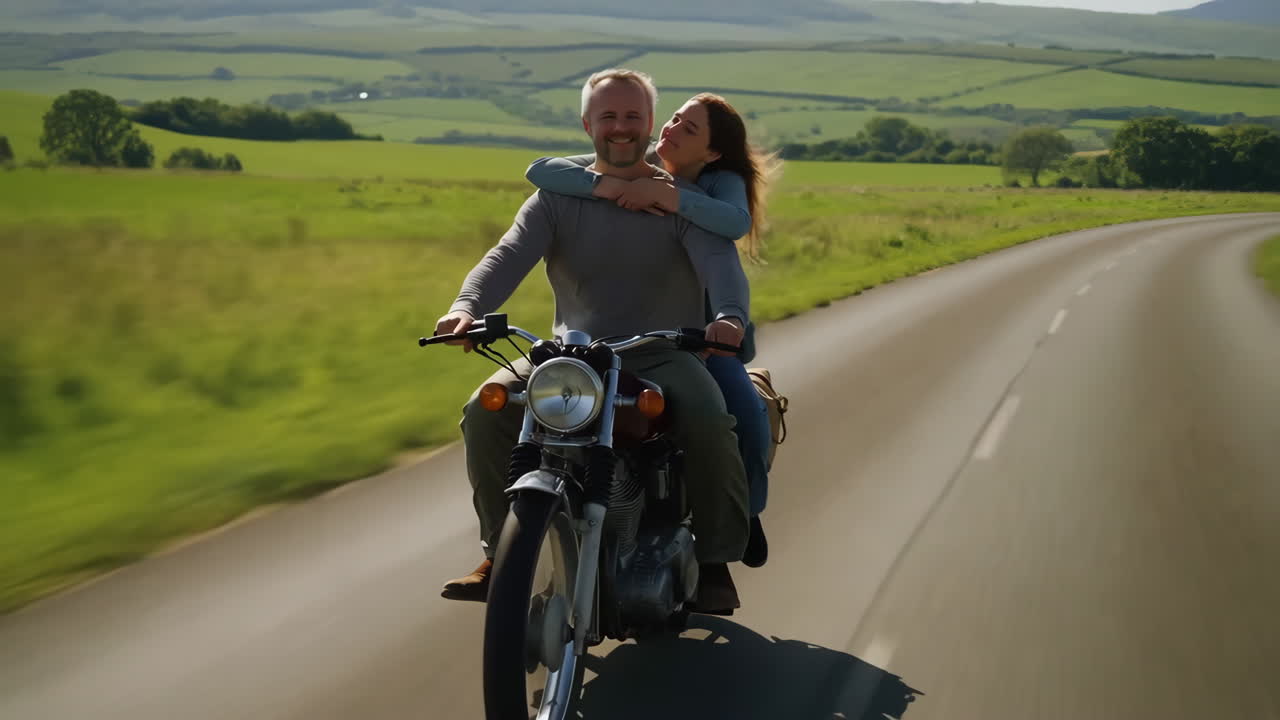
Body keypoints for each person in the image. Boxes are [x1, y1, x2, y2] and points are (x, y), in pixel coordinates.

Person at [437, 69, 751, 613]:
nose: (621, 128)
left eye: (633, 116)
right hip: (570, 352)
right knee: (484, 411)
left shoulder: (676, 198)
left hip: (660, 352)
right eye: (608, 116)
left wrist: (729, 317)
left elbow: (720, 264)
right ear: (587, 124)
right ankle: (501, 555)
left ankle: (717, 559)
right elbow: (507, 255)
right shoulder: (557, 195)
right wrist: (466, 308)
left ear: (650, 124)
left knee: (707, 417)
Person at [523, 92, 779, 568]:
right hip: (628, 333)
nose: (673, 130)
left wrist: (666, 196)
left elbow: (735, 221)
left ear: (713, 152)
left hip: (704, 338)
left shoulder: (719, 182)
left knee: (743, 420)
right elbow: (542, 171)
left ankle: (743, 517)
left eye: (690, 129)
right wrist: (606, 188)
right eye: (675, 118)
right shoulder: (631, 164)